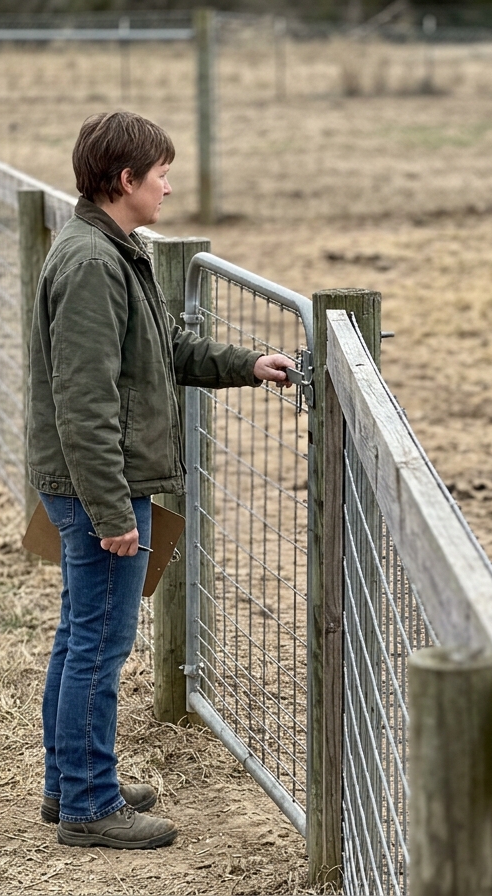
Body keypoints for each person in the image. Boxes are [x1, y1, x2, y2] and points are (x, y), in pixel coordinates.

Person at [25, 111, 294, 849]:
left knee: (81, 634)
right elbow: (84, 403)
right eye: (161, 175)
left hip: (93, 483)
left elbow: (162, 348)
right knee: (99, 646)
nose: (169, 188)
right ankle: (87, 803)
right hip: (97, 488)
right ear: (125, 181)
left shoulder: (112, 250)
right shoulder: (89, 264)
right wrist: (114, 512)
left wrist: (246, 364)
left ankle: (69, 781)